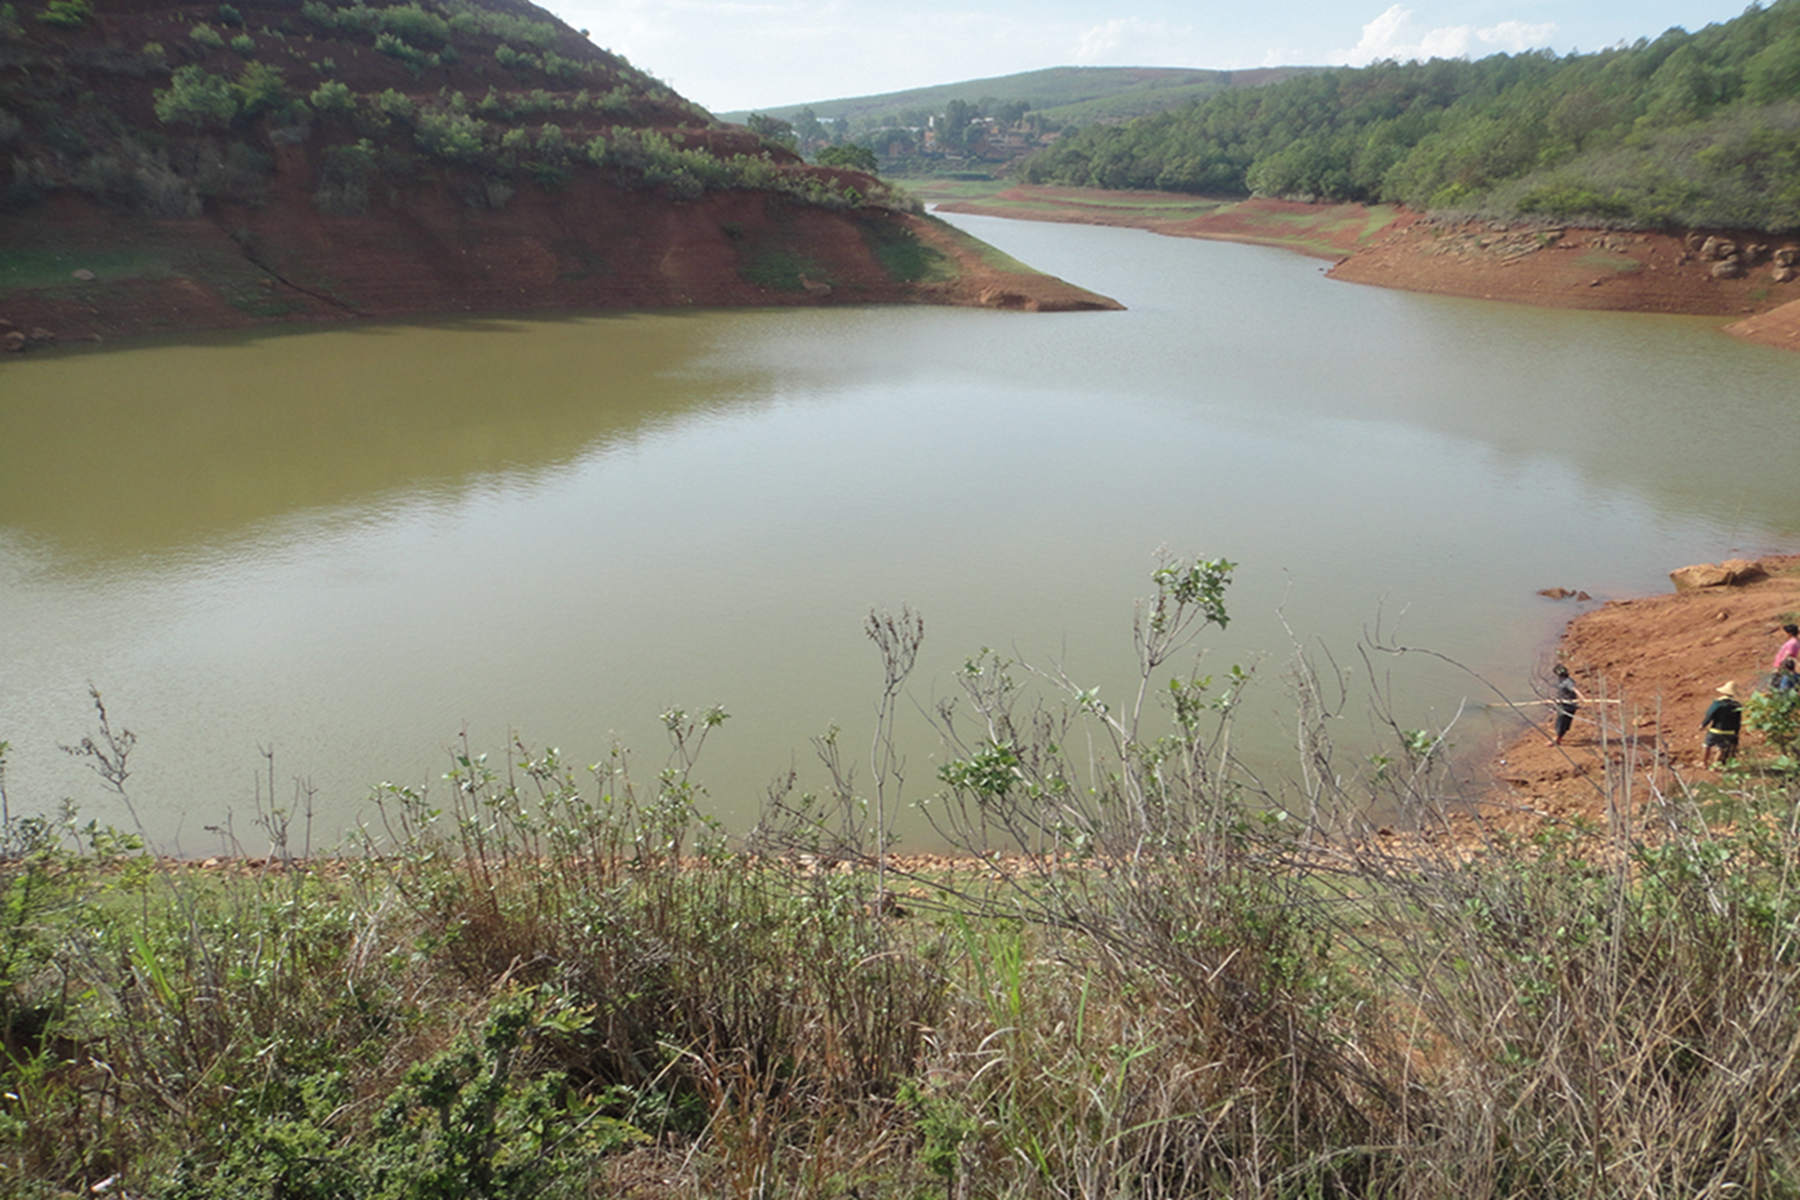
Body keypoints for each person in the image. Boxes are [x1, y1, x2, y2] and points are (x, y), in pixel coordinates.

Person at [1701, 680, 1743, 768]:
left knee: (1707, 745)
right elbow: (1737, 721)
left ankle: (1704, 763)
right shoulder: (1737, 705)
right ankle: (1715, 765)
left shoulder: (1718, 703)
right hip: (1729, 732)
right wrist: (1736, 733)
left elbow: (1710, 714)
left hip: (1715, 730)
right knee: (1721, 748)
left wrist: (1703, 724)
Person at [1550, 663, 1580, 746]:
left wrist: (1582, 698)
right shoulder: (1562, 681)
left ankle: (1557, 740)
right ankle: (1559, 738)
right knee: (1562, 722)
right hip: (1563, 703)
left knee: (1562, 722)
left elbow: (1575, 689)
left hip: (1567, 705)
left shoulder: (1568, 681)